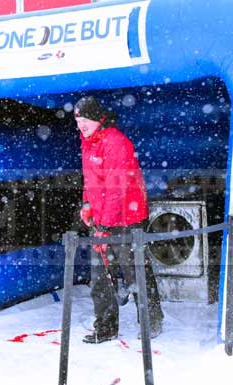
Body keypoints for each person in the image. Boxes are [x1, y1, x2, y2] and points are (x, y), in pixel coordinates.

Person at [74, 96, 164, 344]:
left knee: (136, 273)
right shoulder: (87, 142)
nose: (81, 125)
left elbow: (117, 188)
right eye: (78, 121)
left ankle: (151, 321)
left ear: (98, 118)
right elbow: (91, 181)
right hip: (102, 219)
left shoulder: (114, 142)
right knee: (100, 277)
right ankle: (105, 328)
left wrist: (106, 224)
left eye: (85, 120)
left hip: (126, 218)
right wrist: (87, 204)